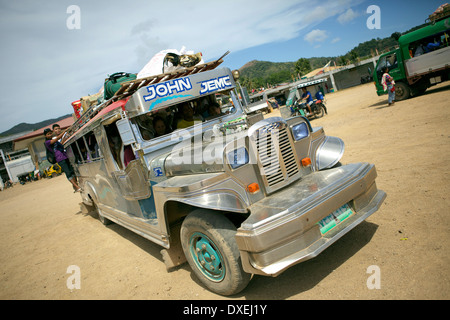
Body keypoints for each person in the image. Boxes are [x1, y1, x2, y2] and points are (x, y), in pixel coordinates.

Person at [44, 128, 81, 192]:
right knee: (68, 173)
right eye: (48, 134)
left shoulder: (55, 141)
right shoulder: (47, 142)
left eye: (50, 133)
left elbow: (61, 143)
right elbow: (57, 139)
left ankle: (75, 185)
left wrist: (65, 136)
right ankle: (77, 186)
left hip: (65, 156)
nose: (50, 135)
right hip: (60, 159)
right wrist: (64, 132)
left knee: (72, 171)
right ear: (45, 136)